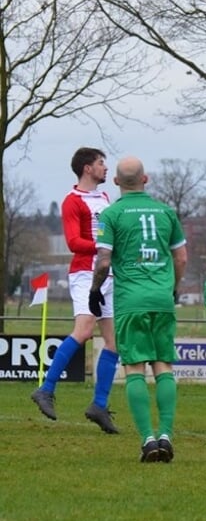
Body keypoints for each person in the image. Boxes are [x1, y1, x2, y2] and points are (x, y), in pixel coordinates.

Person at [89, 157, 187, 463]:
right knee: (163, 366)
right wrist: (172, 287)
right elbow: (181, 258)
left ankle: (148, 440)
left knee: (134, 368)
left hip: (131, 301)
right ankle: (167, 435)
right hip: (161, 299)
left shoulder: (111, 213)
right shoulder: (166, 212)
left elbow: (104, 261)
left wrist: (95, 291)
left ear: (116, 183)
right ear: (146, 179)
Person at [31, 147, 120, 434]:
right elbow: (73, 242)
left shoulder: (105, 197)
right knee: (83, 331)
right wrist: (103, 246)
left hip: (108, 273)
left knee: (113, 342)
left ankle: (99, 405)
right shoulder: (72, 201)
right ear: (86, 168)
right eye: (100, 163)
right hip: (85, 273)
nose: (105, 168)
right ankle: (45, 389)